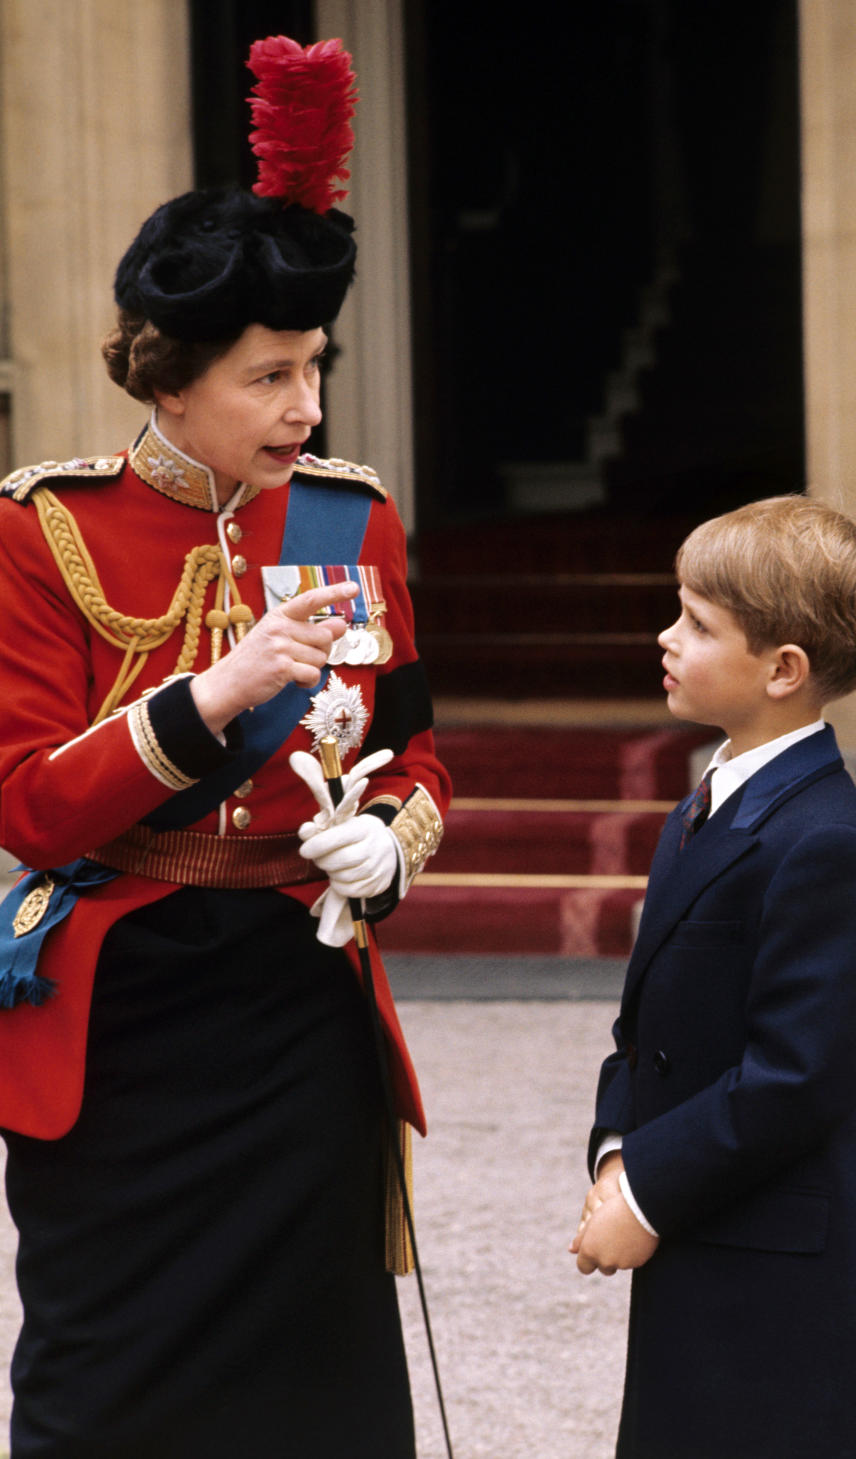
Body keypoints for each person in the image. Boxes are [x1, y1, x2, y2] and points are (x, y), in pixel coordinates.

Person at [0, 35, 449, 1459]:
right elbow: (29, 808)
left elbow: (418, 755)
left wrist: (389, 847)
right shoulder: (39, 528)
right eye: (270, 376)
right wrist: (216, 691)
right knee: (103, 1388)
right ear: (169, 379)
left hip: (294, 1000)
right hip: (123, 1010)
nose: (308, 406)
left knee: (316, 1392)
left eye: (313, 367)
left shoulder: (351, 519)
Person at [570, 495, 856, 1459]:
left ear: (784, 670)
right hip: (719, 1203)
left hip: (794, 1244)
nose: (666, 635)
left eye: (697, 624)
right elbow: (644, 1024)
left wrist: (645, 1192)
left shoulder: (826, 839)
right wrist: (616, 1151)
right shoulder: (708, 801)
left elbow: (800, 1073)